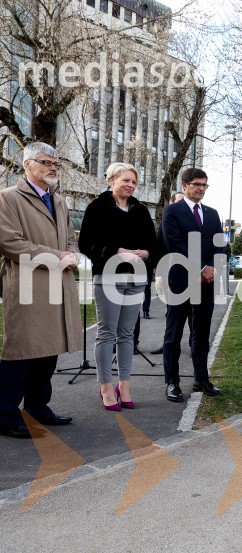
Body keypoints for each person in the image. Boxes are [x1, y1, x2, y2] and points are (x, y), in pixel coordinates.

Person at [0, 142, 82, 438]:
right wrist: (58, 256)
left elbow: (71, 238)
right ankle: (5, 415)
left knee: (48, 348)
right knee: (22, 350)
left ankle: (37, 406)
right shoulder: (8, 198)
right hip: (26, 283)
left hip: (57, 283)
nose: (53, 168)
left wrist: (72, 254)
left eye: (56, 164)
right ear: (27, 164)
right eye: (46, 162)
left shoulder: (57, 200)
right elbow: (9, 242)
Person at [79, 162, 157, 411]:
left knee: (126, 334)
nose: (130, 185)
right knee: (106, 333)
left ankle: (124, 386)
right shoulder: (97, 207)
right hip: (108, 278)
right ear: (112, 180)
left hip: (136, 279)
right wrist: (117, 251)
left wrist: (146, 253)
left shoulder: (141, 211)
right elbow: (86, 244)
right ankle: (105, 387)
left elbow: (153, 244)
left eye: (134, 182)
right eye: (126, 180)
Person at [160, 168, 224, 402]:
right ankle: (172, 382)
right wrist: (200, 267)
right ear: (185, 185)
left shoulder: (212, 213)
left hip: (206, 283)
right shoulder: (172, 211)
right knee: (174, 334)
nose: (201, 188)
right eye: (197, 184)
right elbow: (174, 243)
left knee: (201, 334)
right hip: (180, 281)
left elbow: (220, 243)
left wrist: (213, 267)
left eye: (205, 185)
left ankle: (202, 379)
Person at [150, 191, 191, 356]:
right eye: (179, 202)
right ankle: (169, 344)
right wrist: (159, 275)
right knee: (172, 314)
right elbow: (159, 249)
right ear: (172, 204)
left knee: (193, 315)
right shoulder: (166, 224)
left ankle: (193, 345)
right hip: (171, 276)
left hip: (192, 276)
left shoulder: (193, 222)